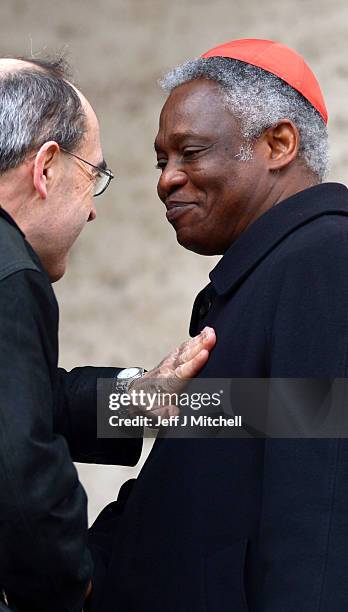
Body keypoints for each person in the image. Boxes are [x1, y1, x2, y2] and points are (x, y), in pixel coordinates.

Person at [0, 57, 216, 611]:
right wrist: (76, 587)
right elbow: (17, 496)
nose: (91, 212)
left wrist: (131, 402)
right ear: (45, 168)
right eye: (95, 176)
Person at [88, 39, 348, 611]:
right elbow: (215, 457)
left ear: (279, 143)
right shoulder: (263, 275)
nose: (166, 180)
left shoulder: (326, 259)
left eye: (191, 152)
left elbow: (320, 508)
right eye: (163, 161)